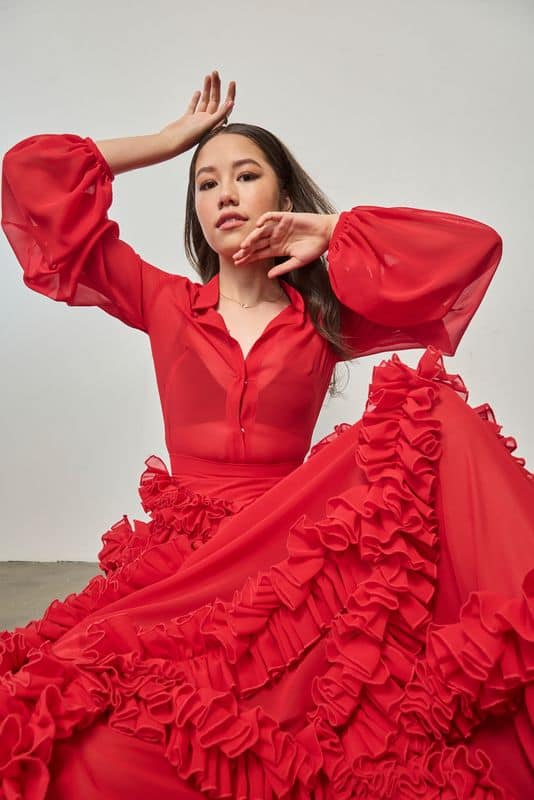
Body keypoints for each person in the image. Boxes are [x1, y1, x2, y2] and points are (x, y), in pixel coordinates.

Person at [1, 69, 533, 800]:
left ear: (281, 198)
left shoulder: (327, 318)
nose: (224, 193)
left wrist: (334, 231)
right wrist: (167, 142)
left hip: (286, 551)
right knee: (76, 720)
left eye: (245, 175)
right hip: (187, 559)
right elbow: (29, 177)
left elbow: (472, 251)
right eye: (206, 183)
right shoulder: (164, 301)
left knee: (434, 412)